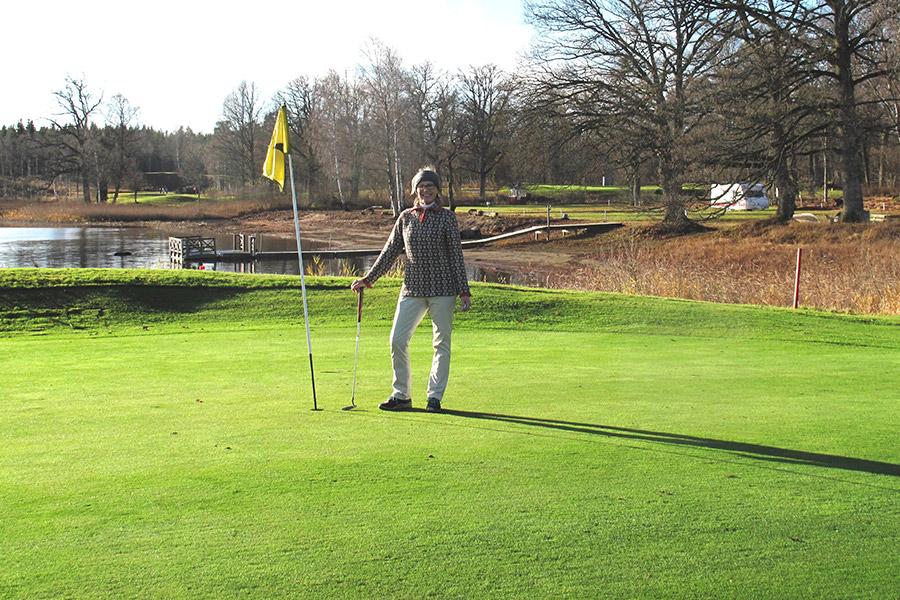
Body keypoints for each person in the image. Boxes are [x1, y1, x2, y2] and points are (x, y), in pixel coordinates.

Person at [350, 167, 472, 413]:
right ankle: (402, 395)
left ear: (438, 190)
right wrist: (368, 279)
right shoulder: (406, 217)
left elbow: (456, 257)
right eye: (421, 186)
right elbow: (389, 251)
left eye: (430, 186)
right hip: (412, 289)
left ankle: (434, 397)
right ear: (415, 190)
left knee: (441, 344)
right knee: (397, 340)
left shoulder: (447, 217)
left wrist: (464, 290)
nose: (425, 190)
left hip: (443, 289)